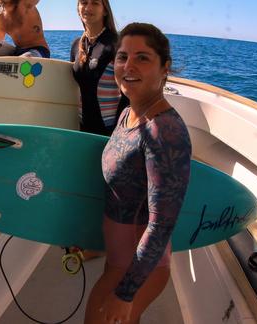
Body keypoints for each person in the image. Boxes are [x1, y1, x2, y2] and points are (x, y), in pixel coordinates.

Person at [85, 23, 192, 324]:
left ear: (164, 68)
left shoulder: (164, 132)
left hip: (139, 269)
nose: (128, 65)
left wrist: (125, 294)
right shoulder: (127, 113)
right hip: (117, 258)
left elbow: (161, 225)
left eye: (142, 58)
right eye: (122, 57)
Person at [70, 0, 128, 136]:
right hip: (82, 125)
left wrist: (120, 131)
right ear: (78, 8)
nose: (88, 7)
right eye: (84, 2)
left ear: (105, 10)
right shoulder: (76, 45)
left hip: (109, 129)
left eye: (95, 3)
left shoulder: (115, 44)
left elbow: (127, 94)